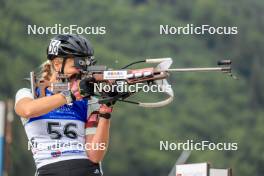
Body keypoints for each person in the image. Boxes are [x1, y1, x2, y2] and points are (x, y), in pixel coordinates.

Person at [14, 34, 113, 176]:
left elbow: (95, 155)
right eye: (76, 65)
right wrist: (70, 94)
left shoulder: (89, 101)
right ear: (57, 64)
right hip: (49, 169)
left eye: (85, 65)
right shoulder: (28, 93)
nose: (81, 71)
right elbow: (28, 110)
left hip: (87, 169)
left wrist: (105, 113)